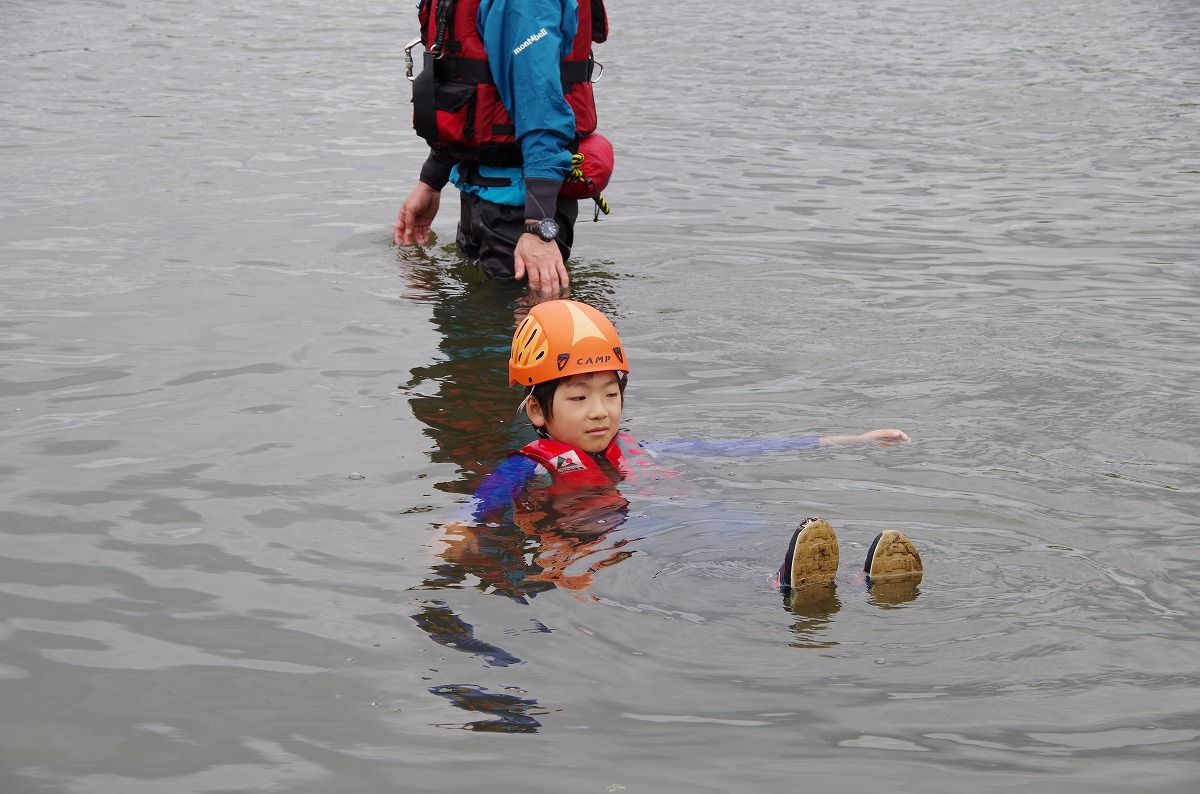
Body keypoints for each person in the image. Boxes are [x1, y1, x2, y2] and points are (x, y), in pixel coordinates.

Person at [440, 299, 924, 605]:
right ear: (538, 412)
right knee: (707, 555)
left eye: (610, 393)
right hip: (625, 536)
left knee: (754, 529)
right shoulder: (528, 466)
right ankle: (779, 587)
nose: (599, 412)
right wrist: (457, 530)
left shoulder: (639, 447)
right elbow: (486, 498)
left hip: (688, 514)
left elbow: (733, 448)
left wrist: (839, 440)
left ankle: (854, 583)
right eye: (578, 397)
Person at [395, 0, 610, 297]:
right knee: (470, 333)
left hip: (521, 209)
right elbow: (473, 90)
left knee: (510, 328)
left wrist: (538, 226)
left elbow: (541, 108)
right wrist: (431, 180)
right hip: (481, 192)